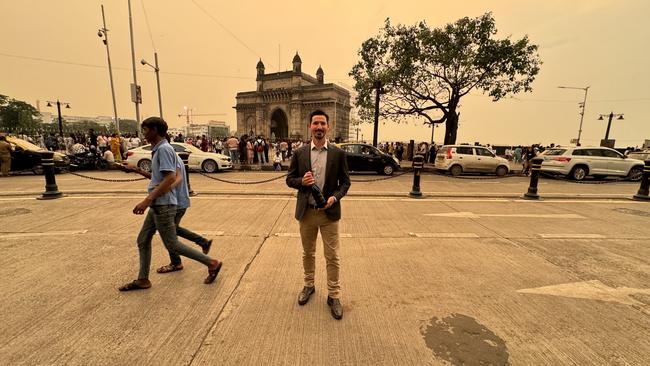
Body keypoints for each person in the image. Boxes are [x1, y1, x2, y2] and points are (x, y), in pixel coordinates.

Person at [119, 117, 222, 291]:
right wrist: (136, 170)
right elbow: (162, 178)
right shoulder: (159, 150)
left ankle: (212, 262)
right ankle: (143, 279)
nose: (143, 134)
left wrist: (148, 200)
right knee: (143, 239)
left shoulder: (164, 150)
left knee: (172, 244)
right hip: (159, 203)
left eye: (145, 130)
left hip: (163, 204)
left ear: (154, 131)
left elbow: (171, 178)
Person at [286, 110, 351, 320]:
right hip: (307, 213)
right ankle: (309, 285)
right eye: (315, 123)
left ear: (328, 127)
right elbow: (289, 179)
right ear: (310, 126)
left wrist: (335, 197)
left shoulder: (338, 154)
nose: (319, 127)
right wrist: (300, 182)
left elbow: (346, 183)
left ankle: (334, 295)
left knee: (332, 256)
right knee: (308, 253)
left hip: (329, 214)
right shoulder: (300, 153)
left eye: (323, 123)